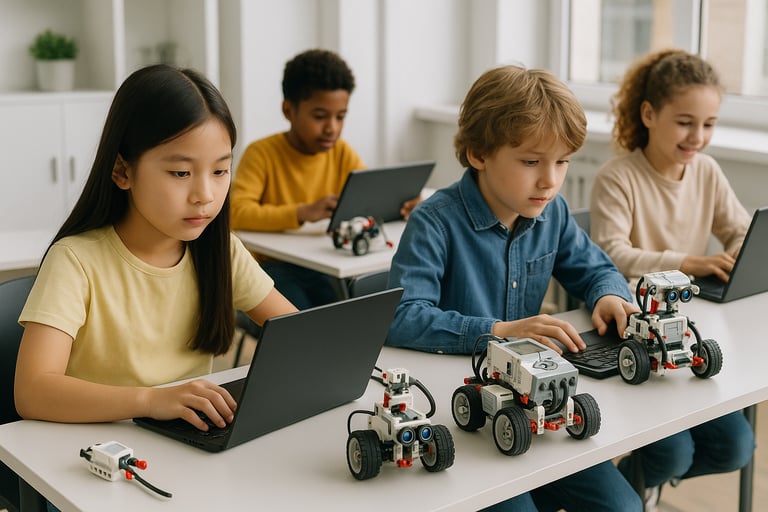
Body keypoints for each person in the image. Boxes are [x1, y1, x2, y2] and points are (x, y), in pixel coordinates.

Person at [385, 65, 642, 511]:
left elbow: (596, 268)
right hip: (460, 415)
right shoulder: (434, 222)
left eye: (562, 162)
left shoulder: (553, 212)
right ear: (479, 153)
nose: (551, 180)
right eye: (531, 162)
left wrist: (608, 294)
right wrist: (497, 332)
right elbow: (403, 318)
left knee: (623, 507)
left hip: (537, 402)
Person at [14, 64, 297, 432]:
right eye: (181, 173)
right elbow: (32, 392)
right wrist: (150, 400)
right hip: (95, 455)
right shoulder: (76, 261)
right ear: (122, 171)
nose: (205, 196)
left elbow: (298, 336)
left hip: (184, 446)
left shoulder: (220, 250)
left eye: (220, 171)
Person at [590, 48, 755, 510]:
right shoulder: (617, 177)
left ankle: (648, 480)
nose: (697, 136)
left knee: (737, 447)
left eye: (708, 124)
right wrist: (690, 261)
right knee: (673, 449)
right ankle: (639, 482)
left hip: (692, 324)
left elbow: (740, 229)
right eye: (685, 122)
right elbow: (613, 255)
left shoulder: (705, 171)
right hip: (633, 330)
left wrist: (741, 249)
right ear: (649, 113)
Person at [230, 48, 418, 309]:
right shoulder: (261, 153)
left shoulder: (341, 152)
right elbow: (236, 213)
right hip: (269, 267)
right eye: (320, 117)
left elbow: (368, 195)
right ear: (288, 110)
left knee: (349, 317)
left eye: (340, 117)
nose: (332, 128)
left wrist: (404, 205)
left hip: (322, 264)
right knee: (305, 323)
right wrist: (302, 212)